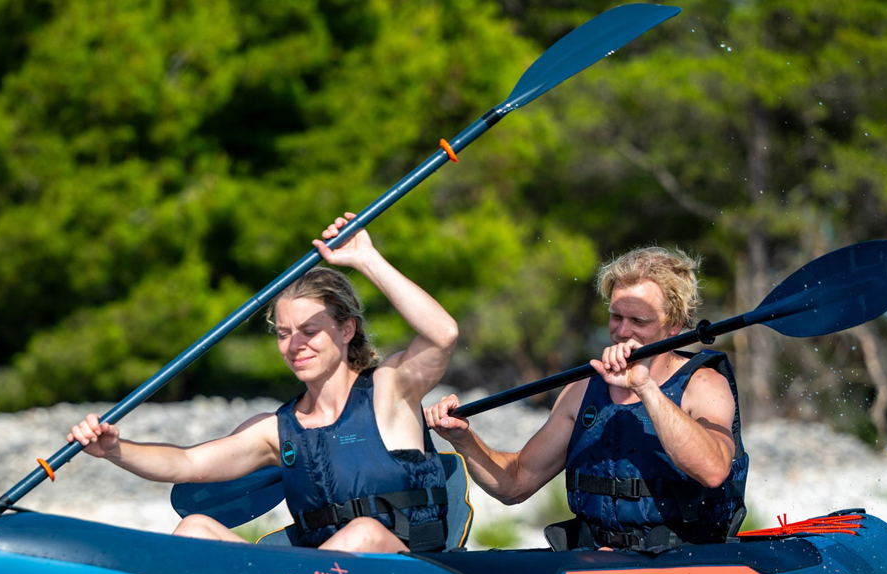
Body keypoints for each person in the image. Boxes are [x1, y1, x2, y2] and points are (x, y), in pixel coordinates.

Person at [68, 214, 458, 553]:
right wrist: (114, 449)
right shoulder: (277, 430)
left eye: (309, 330)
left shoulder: (390, 390)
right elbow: (187, 463)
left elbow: (442, 334)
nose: (294, 345)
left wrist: (365, 259)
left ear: (346, 329)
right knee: (195, 528)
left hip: (406, 570)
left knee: (363, 533)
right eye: (284, 333)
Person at [425, 247, 748, 550]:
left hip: (681, 565)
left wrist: (644, 387)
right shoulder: (582, 391)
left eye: (639, 321)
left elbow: (713, 470)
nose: (622, 331)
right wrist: (463, 439)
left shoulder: (703, 385)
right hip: (594, 560)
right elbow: (515, 483)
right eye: (616, 316)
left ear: (674, 324)